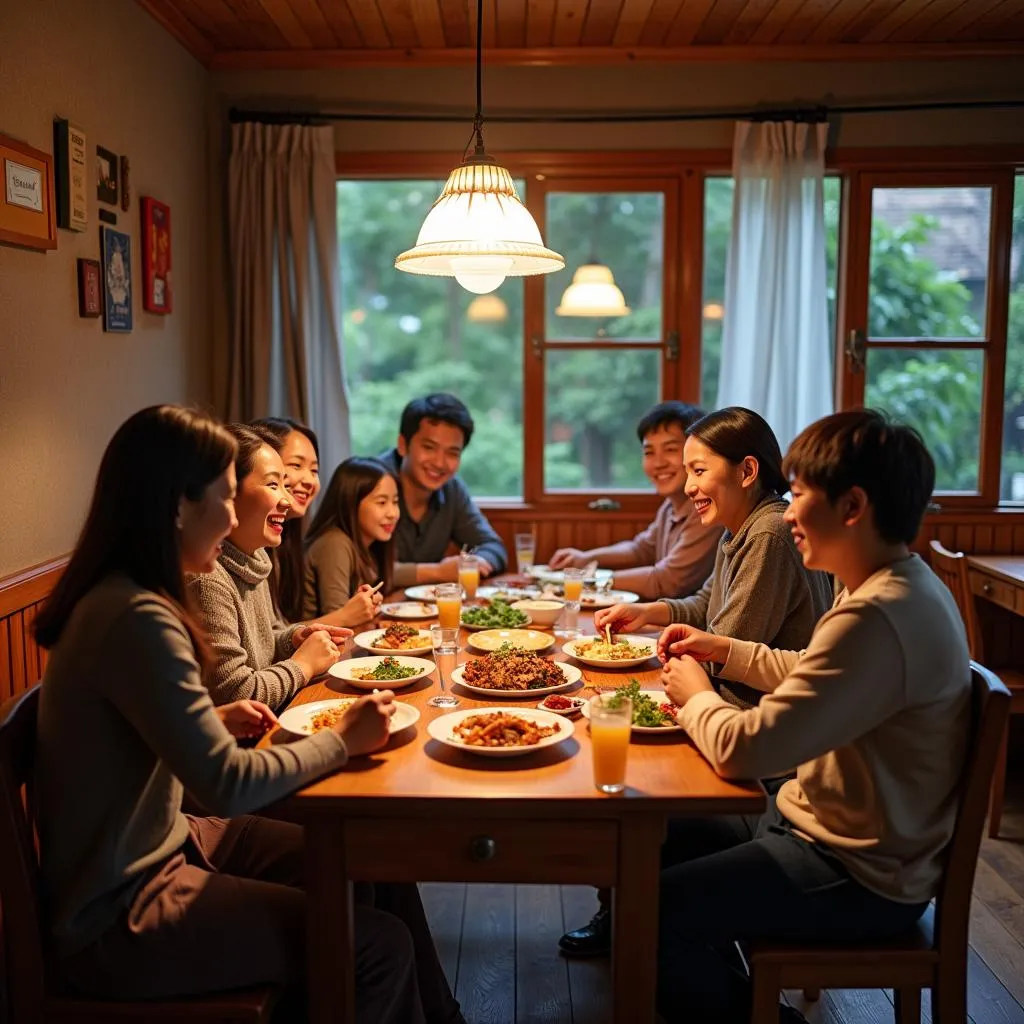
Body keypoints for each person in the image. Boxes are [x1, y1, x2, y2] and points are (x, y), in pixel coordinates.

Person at [32, 404, 457, 1022]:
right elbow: (225, 784)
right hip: (121, 913)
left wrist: (213, 721)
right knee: (378, 947)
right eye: (227, 498)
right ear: (180, 504)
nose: (235, 517)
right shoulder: (138, 617)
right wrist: (342, 738)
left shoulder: (131, 595)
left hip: (175, 844)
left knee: (367, 857)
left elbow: (144, 739)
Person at [650, 409, 971, 1024]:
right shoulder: (888, 586)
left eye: (798, 495)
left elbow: (744, 750)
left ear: (851, 506)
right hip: (833, 833)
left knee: (656, 907)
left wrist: (695, 695)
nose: (787, 511)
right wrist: (725, 651)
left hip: (857, 871)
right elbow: (809, 669)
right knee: (656, 839)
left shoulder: (876, 617)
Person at [559, 406, 832, 957]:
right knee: (616, 745)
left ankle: (638, 927)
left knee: (631, 780)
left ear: (748, 471)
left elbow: (727, 639)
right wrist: (652, 611)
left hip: (759, 736)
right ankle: (625, 921)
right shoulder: (743, 528)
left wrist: (673, 682)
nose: (688, 486)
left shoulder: (770, 534)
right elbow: (710, 606)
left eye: (699, 471)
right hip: (739, 712)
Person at [188, 424, 349, 711]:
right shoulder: (208, 580)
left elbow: (268, 636)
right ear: (227, 491)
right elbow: (236, 695)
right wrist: (302, 665)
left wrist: (293, 638)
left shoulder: (256, 557)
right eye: (274, 485)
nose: (286, 500)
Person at [548, 401, 722, 599]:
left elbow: (669, 581)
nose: (658, 463)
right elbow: (641, 549)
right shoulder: (670, 506)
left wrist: (590, 579)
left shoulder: (707, 507)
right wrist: (586, 558)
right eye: (649, 452)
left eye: (671, 449)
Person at [254, 417, 381, 627]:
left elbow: (279, 633)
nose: (308, 480)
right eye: (296, 465)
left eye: (314, 470)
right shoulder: (246, 550)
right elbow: (269, 644)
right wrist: (345, 615)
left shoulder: (284, 543)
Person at [378, 393, 507, 587]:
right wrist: (437, 572)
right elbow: (361, 570)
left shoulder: (451, 489)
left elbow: (493, 547)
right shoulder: (371, 482)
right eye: (429, 447)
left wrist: (478, 562)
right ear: (403, 445)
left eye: (452, 453)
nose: (440, 463)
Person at [303, 457, 401, 620]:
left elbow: (396, 570)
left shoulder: (367, 544)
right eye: (382, 502)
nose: (393, 513)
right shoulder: (334, 543)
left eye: (395, 501)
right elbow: (337, 620)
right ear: (351, 502)